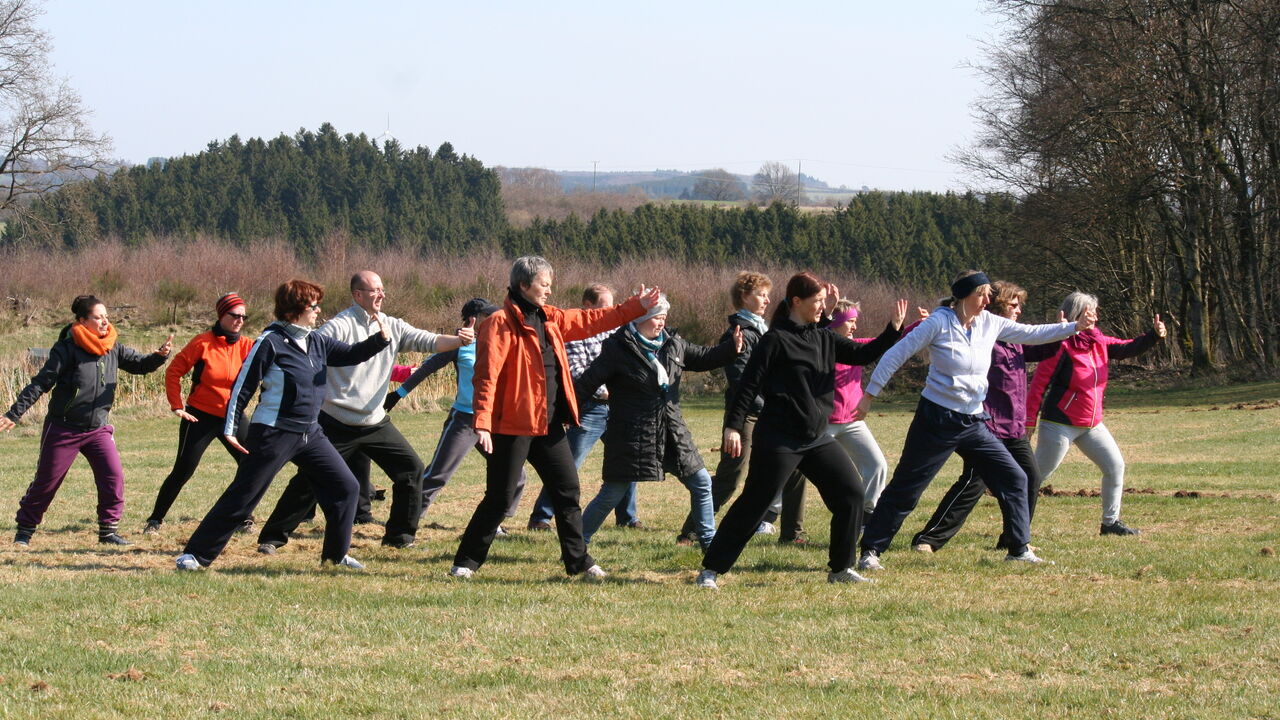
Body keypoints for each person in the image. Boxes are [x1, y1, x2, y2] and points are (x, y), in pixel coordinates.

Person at [855, 270, 1090, 573]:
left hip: (973, 421)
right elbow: (895, 355)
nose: (988, 300)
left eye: (988, 295)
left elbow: (1032, 334)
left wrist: (1072, 327)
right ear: (965, 296)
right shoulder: (939, 323)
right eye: (982, 295)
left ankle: (1018, 549)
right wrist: (869, 394)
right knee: (908, 488)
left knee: (1015, 478)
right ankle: (871, 550)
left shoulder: (989, 323)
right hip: (936, 419)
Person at [449, 256, 660, 580]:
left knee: (567, 490)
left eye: (550, 284)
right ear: (524, 285)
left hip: (547, 426)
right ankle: (466, 562)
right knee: (499, 498)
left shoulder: (552, 318)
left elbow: (595, 320)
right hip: (510, 427)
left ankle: (579, 562)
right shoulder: (498, 324)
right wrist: (482, 421)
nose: (549, 290)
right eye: (544, 284)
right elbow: (486, 376)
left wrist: (636, 306)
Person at [696, 273, 903, 590]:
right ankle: (710, 569)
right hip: (779, 439)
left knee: (851, 495)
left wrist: (893, 330)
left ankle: (840, 569)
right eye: (817, 301)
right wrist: (734, 427)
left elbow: (863, 354)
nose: (823, 307)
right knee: (754, 503)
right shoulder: (775, 340)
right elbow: (747, 387)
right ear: (796, 302)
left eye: (823, 300)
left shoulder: (824, 337)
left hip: (816, 438)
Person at [175, 279, 391, 571]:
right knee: (245, 494)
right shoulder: (271, 342)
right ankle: (196, 556)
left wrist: (380, 339)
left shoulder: (317, 340)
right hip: (274, 432)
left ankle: (335, 557)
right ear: (297, 309)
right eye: (314, 305)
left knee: (346, 487)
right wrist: (230, 427)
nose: (318, 310)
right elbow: (243, 386)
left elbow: (351, 355)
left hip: (311, 433)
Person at [254, 271, 474, 553]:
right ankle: (272, 538)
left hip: (375, 421)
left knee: (411, 470)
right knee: (310, 480)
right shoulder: (339, 326)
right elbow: (310, 349)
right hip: (337, 421)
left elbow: (428, 341)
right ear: (358, 295)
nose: (381, 295)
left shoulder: (393, 325)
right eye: (374, 290)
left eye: (382, 289)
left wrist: (459, 340)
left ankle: (400, 536)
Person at [3, 295, 172, 546]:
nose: (104, 321)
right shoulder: (67, 349)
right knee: (46, 483)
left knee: (113, 477)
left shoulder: (113, 346)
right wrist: (14, 412)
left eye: (106, 316)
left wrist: (159, 356)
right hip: (63, 428)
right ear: (82, 321)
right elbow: (41, 382)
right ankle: (24, 532)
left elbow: (140, 365)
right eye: (97, 317)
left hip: (98, 429)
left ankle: (108, 531)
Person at [576, 294, 742, 550]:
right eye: (656, 317)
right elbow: (586, 383)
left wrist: (731, 348)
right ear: (640, 319)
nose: (662, 323)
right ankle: (577, 543)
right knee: (612, 494)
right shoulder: (617, 348)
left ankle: (709, 544)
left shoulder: (674, 344)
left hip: (672, 431)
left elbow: (705, 357)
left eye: (664, 317)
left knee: (701, 483)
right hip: (632, 436)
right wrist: (565, 412)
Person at [909, 281, 1062, 552]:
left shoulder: (1016, 340)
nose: (1018, 310)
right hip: (986, 426)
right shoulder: (983, 338)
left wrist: (1063, 332)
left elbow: (1042, 347)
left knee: (1030, 478)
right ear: (1000, 306)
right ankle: (928, 539)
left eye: (1019, 305)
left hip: (1014, 428)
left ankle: (1014, 540)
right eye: (1014, 305)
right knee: (973, 484)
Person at [1028, 292, 1166, 536]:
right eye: (1088, 311)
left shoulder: (1098, 340)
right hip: (1059, 423)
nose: (1094, 316)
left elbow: (1126, 348)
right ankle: (1017, 528)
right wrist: (1029, 422)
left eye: (1095, 311)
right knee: (1037, 476)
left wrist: (1154, 335)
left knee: (1115, 466)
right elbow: (1039, 384)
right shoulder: (1060, 344)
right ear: (1075, 315)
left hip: (1091, 425)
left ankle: (1110, 524)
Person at [387, 298, 527, 531]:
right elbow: (425, 369)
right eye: (489, 317)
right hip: (464, 420)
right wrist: (398, 394)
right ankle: (407, 521)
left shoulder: (501, 341)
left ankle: (495, 523)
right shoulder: (458, 344)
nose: (496, 320)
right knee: (438, 475)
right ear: (474, 320)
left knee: (516, 475)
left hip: (492, 422)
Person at [680, 271, 794, 542]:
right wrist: (766, 406)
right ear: (744, 296)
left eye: (768, 294)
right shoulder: (738, 332)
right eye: (761, 294)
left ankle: (785, 531)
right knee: (730, 478)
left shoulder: (767, 329)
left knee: (775, 472)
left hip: (768, 411)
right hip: (745, 416)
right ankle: (690, 532)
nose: (767, 300)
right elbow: (742, 380)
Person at [527, 284, 642, 531]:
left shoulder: (616, 331)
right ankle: (541, 517)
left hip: (616, 408)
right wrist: (606, 389)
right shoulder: (575, 331)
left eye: (612, 307)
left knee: (627, 458)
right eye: (604, 307)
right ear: (588, 306)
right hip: (591, 408)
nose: (609, 312)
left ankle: (628, 517)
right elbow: (576, 372)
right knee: (569, 463)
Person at [144, 293, 255, 535]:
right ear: (221, 315)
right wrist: (177, 406)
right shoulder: (202, 343)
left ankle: (244, 517)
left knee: (252, 465)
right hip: (200, 417)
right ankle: (155, 520)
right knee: (184, 470)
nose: (239, 320)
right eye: (234, 315)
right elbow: (174, 372)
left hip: (233, 417)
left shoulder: (249, 346)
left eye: (243, 316)